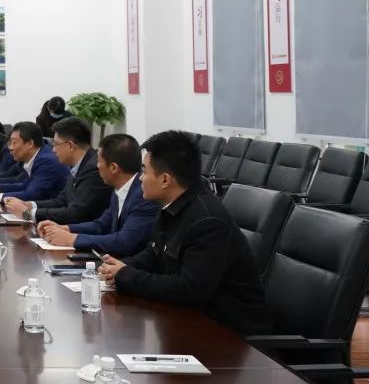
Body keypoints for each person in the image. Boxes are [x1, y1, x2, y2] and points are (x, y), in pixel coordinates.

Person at [99, 130, 274, 337]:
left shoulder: (208, 222)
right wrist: (119, 267)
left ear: (165, 180)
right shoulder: (171, 206)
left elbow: (189, 289)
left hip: (231, 336)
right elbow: (155, 253)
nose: (139, 179)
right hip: (190, 322)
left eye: (144, 172)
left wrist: (126, 275)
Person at [36, 134, 159, 257]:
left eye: (99, 161)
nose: (97, 166)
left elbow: (124, 241)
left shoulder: (143, 195)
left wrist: (72, 239)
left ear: (113, 168)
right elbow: (101, 225)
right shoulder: (120, 189)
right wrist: (66, 228)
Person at [6, 117, 113, 225]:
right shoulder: (78, 165)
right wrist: (29, 205)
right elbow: (60, 201)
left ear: (70, 145)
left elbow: (76, 214)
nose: (53, 149)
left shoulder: (94, 169)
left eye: (56, 144)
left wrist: (29, 213)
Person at [0, 122, 68, 203]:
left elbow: (32, 194)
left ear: (30, 144)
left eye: (14, 143)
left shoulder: (46, 161)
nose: (10, 148)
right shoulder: (36, 156)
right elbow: (25, 185)